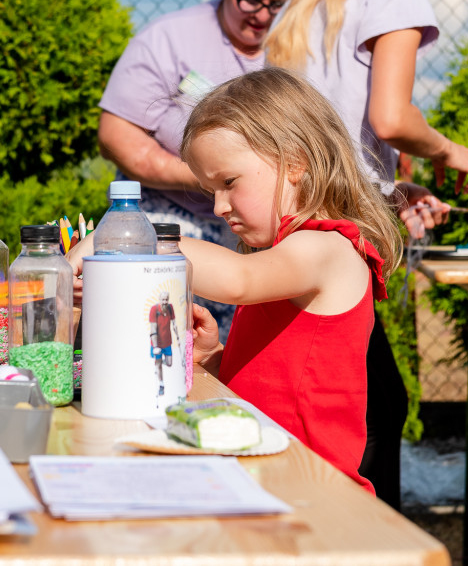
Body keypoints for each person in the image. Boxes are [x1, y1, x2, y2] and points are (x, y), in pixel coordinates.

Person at [71, 68, 403, 493]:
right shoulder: (284, 258)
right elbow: (274, 384)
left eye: (228, 183)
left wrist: (126, 236)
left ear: (295, 160)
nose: (219, 207)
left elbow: (237, 280)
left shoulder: (328, 249)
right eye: (212, 191)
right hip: (266, 475)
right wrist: (215, 357)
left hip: (313, 491)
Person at [263, 0, 468, 509]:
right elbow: (389, 118)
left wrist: (391, 186)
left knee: (328, 393)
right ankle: (366, 536)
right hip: (337, 235)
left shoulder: (307, 3)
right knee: (374, 404)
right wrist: (447, 152)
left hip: (293, 218)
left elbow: (335, 133)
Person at [96, 0, 302, 338]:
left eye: (276, 4)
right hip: (171, 219)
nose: (262, 16)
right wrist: (210, 180)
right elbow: (117, 135)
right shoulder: (169, 39)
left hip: (262, 234)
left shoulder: (295, 49)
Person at [148, 291, 178, 396]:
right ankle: (161, 385)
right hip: (157, 343)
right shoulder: (154, 310)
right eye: (163, 299)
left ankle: (159, 364)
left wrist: (177, 334)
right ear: (159, 299)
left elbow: (174, 322)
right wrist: (156, 346)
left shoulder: (170, 308)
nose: (164, 302)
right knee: (159, 364)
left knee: (169, 363)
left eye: (166, 299)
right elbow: (153, 328)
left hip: (167, 342)